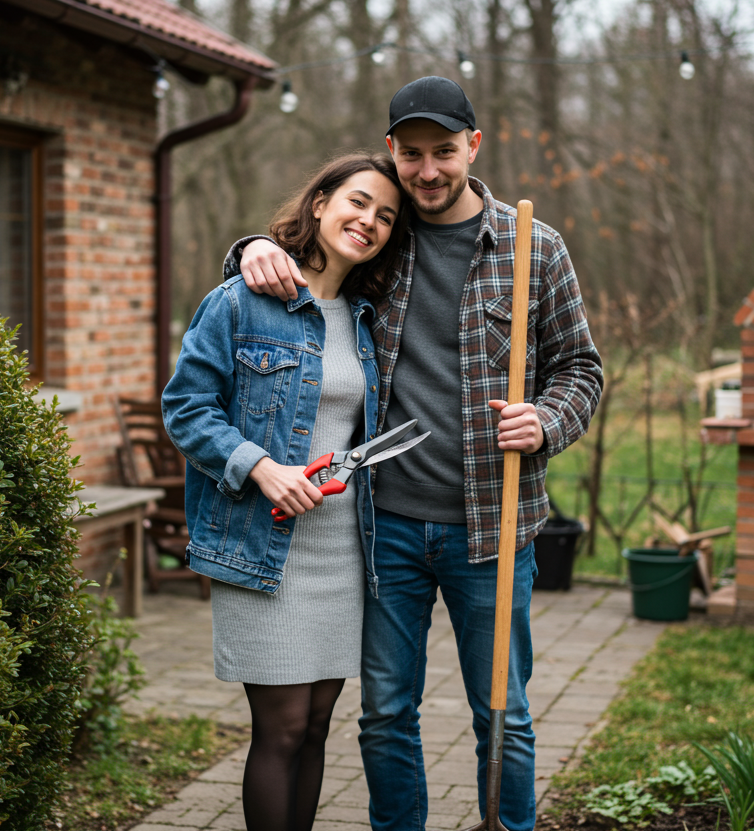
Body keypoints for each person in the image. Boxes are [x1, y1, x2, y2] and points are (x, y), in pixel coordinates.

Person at [224, 77, 603, 831]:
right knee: (386, 714)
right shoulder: (380, 239)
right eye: (412, 154)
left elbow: (581, 369)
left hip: (491, 528)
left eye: (444, 152)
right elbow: (307, 260)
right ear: (392, 151)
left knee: (505, 715)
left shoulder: (535, 247)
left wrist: (547, 421)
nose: (428, 171)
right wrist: (253, 247)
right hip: (383, 527)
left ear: (474, 147)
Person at [162, 153, 410, 831]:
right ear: (322, 201)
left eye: (386, 216)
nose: (370, 221)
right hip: (260, 542)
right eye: (358, 202)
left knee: (317, 726)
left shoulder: (368, 316)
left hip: (343, 550)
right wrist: (261, 466)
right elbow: (185, 407)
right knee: (280, 729)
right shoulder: (242, 299)